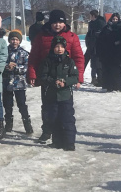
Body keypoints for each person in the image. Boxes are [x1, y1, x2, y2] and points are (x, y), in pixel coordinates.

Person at [27, 9, 84, 144]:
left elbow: (78, 58)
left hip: (65, 80)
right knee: (47, 107)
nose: (57, 25)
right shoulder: (41, 37)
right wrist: (32, 74)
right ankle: (47, 130)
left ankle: (65, 135)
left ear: (64, 23)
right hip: (47, 79)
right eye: (54, 22)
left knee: (65, 109)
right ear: (50, 23)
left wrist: (79, 78)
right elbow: (33, 57)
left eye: (60, 22)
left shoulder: (71, 37)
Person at [37, 36, 78, 151]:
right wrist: (52, 81)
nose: (59, 49)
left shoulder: (69, 61)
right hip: (51, 95)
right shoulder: (47, 61)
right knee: (53, 118)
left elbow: (75, 77)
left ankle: (69, 143)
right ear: (53, 48)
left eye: (61, 47)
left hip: (65, 96)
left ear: (65, 48)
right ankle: (57, 141)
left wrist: (65, 82)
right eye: (57, 46)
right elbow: (43, 76)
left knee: (68, 119)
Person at [3, 30, 33, 134]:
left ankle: (27, 123)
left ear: (19, 41)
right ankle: (8, 123)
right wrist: (6, 67)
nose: (14, 41)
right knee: (7, 104)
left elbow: (27, 67)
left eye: (16, 39)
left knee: (22, 104)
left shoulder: (24, 53)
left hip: (19, 83)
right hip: (7, 82)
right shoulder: (4, 51)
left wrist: (16, 68)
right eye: (12, 39)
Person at [96, 13, 121, 92]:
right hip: (106, 52)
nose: (114, 21)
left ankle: (118, 87)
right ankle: (107, 86)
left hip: (116, 53)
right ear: (111, 19)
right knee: (106, 70)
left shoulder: (120, 28)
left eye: (116, 19)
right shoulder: (106, 28)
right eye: (113, 19)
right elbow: (101, 40)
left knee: (116, 70)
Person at [84, 10, 106, 86]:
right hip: (91, 46)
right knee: (89, 62)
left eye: (90, 16)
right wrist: (88, 42)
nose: (89, 17)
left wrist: (94, 36)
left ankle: (99, 79)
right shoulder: (91, 23)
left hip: (97, 46)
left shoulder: (100, 23)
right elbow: (89, 34)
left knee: (97, 63)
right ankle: (93, 78)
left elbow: (101, 34)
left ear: (93, 16)